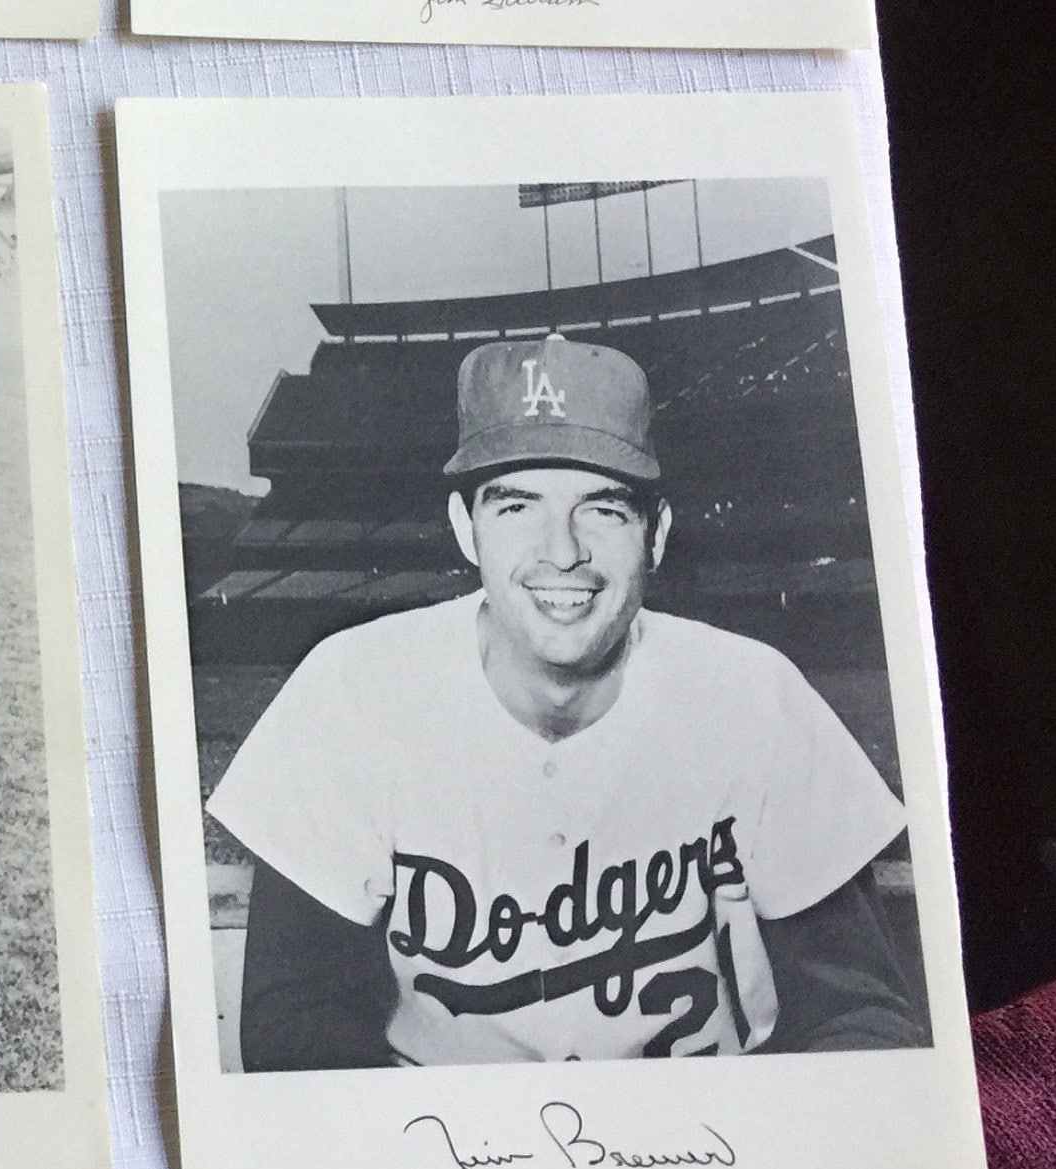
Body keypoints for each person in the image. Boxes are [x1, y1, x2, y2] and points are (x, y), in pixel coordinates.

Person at [207, 333, 927, 1071]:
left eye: (604, 510)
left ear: (656, 536)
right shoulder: (351, 690)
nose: (561, 551)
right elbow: (294, 1023)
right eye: (517, 506)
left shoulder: (755, 694)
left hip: (711, 1135)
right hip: (437, 1139)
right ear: (464, 527)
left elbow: (860, 1016)